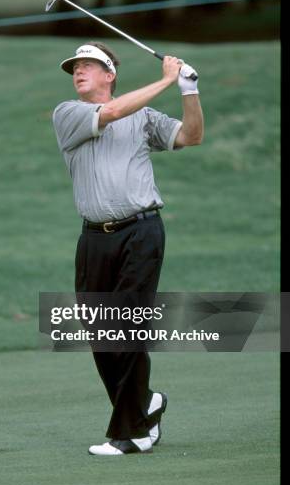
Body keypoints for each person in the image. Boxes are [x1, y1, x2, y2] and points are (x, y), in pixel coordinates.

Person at [52, 41, 204, 455]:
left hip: (141, 232)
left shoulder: (144, 117)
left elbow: (191, 136)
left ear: (109, 74)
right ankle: (146, 403)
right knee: (99, 330)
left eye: (87, 65)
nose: (78, 72)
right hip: (93, 238)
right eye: (74, 68)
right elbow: (114, 112)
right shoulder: (68, 114)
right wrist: (167, 78)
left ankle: (129, 433)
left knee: (128, 325)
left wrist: (188, 91)